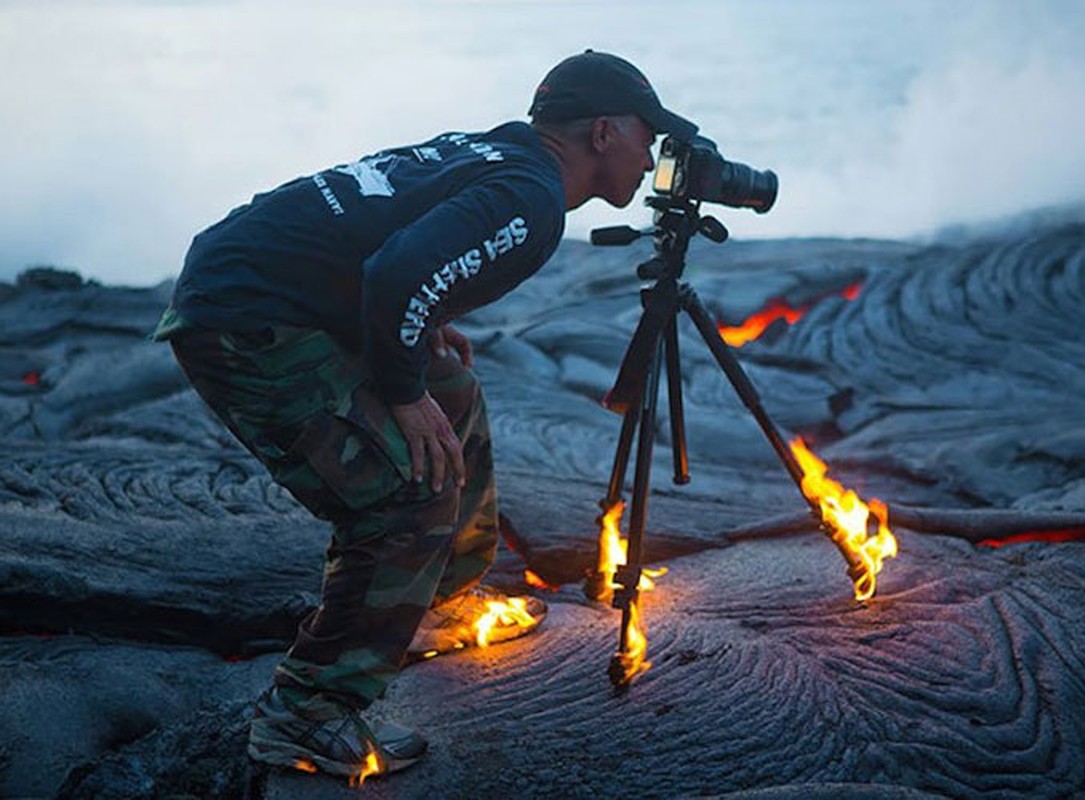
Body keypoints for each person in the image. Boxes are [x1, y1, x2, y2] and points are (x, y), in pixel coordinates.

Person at [151, 50, 696, 780]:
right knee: (408, 491)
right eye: (646, 133)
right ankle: (306, 713)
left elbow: (390, 239)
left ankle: (436, 600)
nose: (652, 151)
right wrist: (402, 393)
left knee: (454, 391)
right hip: (247, 320)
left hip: (266, 284)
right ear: (603, 132)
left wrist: (417, 328)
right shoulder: (530, 198)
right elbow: (396, 271)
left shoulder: (500, 149)